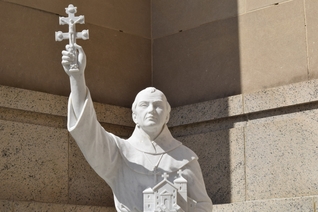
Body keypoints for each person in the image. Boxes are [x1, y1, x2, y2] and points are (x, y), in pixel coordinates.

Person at [61, 44, 213, 211]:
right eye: (144, 105)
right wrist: (77, 78)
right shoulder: (119, 152)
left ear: (168, 115)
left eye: (157, 105)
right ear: (134, 116)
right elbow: (87, 131)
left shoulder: (185, 158)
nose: (151, 110)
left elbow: (203, 206)